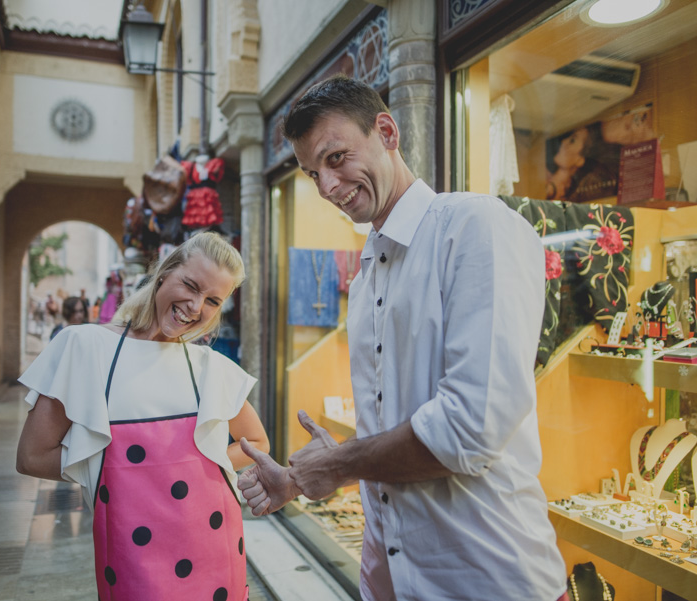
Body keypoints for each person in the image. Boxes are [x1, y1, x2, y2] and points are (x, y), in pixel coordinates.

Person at [237, 75, 567, 600]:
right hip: (387, 576)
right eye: (311, 173)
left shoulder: (474, 227)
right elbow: (392, 430)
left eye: (337, 157)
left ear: (387, 132)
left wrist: (337, 463)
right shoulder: (368, 271)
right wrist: (304, 477)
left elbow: (469, 427)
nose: (325, 187)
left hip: (484, 578)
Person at [16, 231, 268, 601]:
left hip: (215, 543)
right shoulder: (84, 347)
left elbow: (257, 442)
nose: (196, 307)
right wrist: (117, 472)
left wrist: (192, 466)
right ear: (164, 273)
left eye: (212, 300)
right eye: (191, 285)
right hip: (132, 549)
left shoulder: (212, 368)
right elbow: (32, 457)